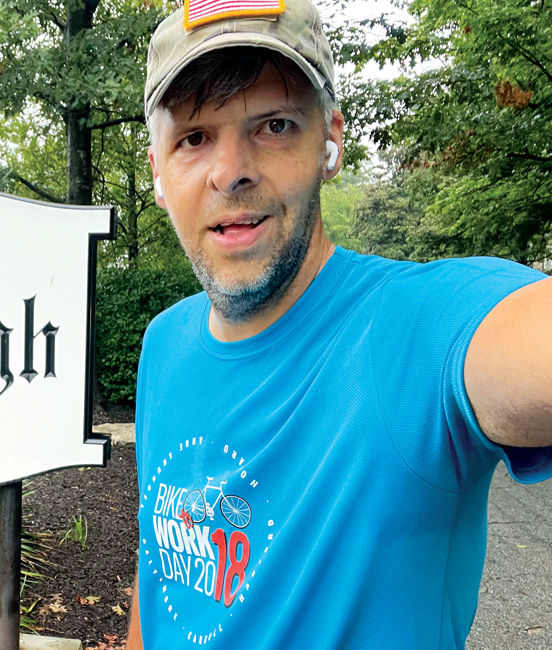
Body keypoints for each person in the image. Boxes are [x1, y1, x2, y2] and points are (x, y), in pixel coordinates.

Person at [127, 0, 552, 647]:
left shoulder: (415, 327)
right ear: (159, 172)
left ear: (329, 142)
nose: (230, 169)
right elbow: (161, 577)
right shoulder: (164, 345)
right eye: (193, 137)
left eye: (272, 125)